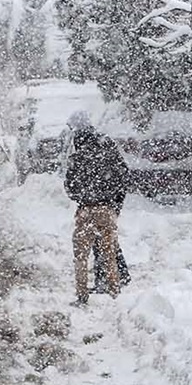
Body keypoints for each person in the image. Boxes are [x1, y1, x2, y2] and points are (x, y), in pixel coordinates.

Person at [64, 111, 127, 306]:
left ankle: (82, 294)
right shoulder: (107, 148)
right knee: (109, 252)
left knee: (81, 256)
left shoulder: (77, 156)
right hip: (106, 209)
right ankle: (114, 291)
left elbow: (70, 187)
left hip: (85, 210)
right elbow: (122, 175)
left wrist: (83, 196)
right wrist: (113, 201)